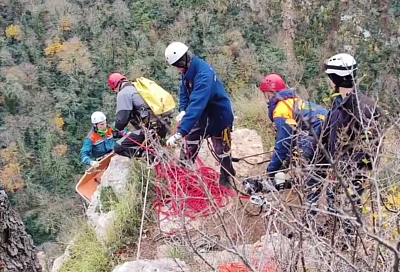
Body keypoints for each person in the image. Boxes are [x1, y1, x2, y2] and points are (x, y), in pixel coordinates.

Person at [321, 53, 382, 233]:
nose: (330, 83)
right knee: (334, 202)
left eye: (330, 78)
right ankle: (335, 232)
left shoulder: (363, 107)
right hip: (338, 168)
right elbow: (328, 135)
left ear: (337, 79)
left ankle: (347, 242)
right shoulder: (339, 103)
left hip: (352, 172)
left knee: (349, 208)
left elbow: (371, 146)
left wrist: (350, 171)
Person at [243, 74, 328, 200]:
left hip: (318, 133)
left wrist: (271, 171)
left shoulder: (281, 110)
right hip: (328, 130)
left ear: (268, 94)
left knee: (309, 175)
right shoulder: (293, 101)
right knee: (306, 164)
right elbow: (292, 140)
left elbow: (283, 144)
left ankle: (311, 211)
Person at [164, 41, 236, 189]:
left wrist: (180, 132)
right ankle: (184, 175)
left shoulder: (203, 75)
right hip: (202, 116)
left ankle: (227, 176)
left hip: (219, 117)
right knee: (190, 144)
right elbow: (184, 90)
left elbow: (197, 104)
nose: (177, 70)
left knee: (221, 150)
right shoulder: (189, 70)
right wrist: (183, 109)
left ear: (181, 62)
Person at [108, 72, 170, 158]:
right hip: (163, 124)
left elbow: (122, 119)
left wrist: (117, 130)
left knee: (119, 147)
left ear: (114, 87)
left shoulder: (123, 93)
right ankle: (155, 155)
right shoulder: (137, 88)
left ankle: (147, 156)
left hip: (150, 129)